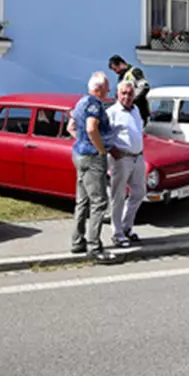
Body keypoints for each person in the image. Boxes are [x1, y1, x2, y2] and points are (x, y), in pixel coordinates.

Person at [70, 71, 117, 262]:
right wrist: (100, 150)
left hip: (79, 154)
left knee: (82, 200)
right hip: (92, 157)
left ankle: (77, 241)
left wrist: (82, 142)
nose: (109, 89)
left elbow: (71, 127)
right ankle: (94, 246)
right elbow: (91, 127)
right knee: (98, 202)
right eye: (107, 86)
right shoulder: (94, 104)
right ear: (99, 88)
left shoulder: (80, 102)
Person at [106, 79, 146, 248]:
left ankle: (126, 227)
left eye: (130, 93)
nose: (127, 96)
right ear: (117, 94)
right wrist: (113, 151)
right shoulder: (112, 112)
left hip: (138, 157)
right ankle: (116, 234)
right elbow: (104, 135)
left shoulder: (136, 109)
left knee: (139, 193)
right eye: (124, 93)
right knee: (118, 196)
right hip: (121, 158)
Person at [109, 54, 151, 122]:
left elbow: (144, 87)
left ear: (121, 63)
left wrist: (131, 99)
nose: (116, 72)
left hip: (138, 111)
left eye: (115, 69)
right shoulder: (121, 76)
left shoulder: (135, 72)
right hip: (127, 112)